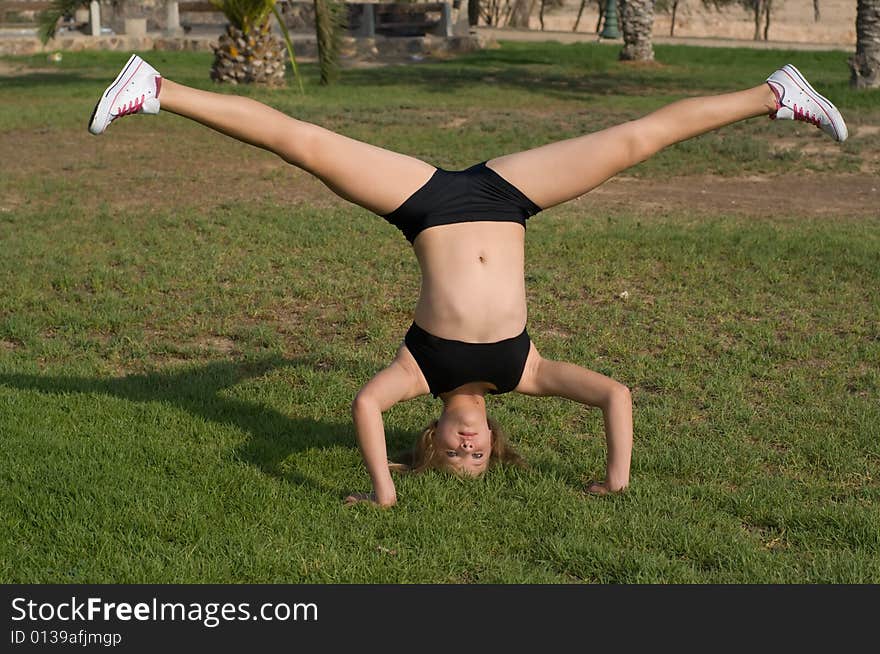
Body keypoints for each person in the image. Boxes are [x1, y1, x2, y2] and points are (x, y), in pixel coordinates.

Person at [88, 54, 848, 507]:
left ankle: (156, 90)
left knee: (306, 144)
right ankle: (776, 95)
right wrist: (616, 481)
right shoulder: (525, 373)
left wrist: (384, 491)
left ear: (430, 439)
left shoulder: (418, 373)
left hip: (425, 207)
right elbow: (617, 395)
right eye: (478, 456)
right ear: (491, 441)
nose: (469, 449)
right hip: (507, 198)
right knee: (634, 140)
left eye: (453, 455)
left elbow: (363, 404)